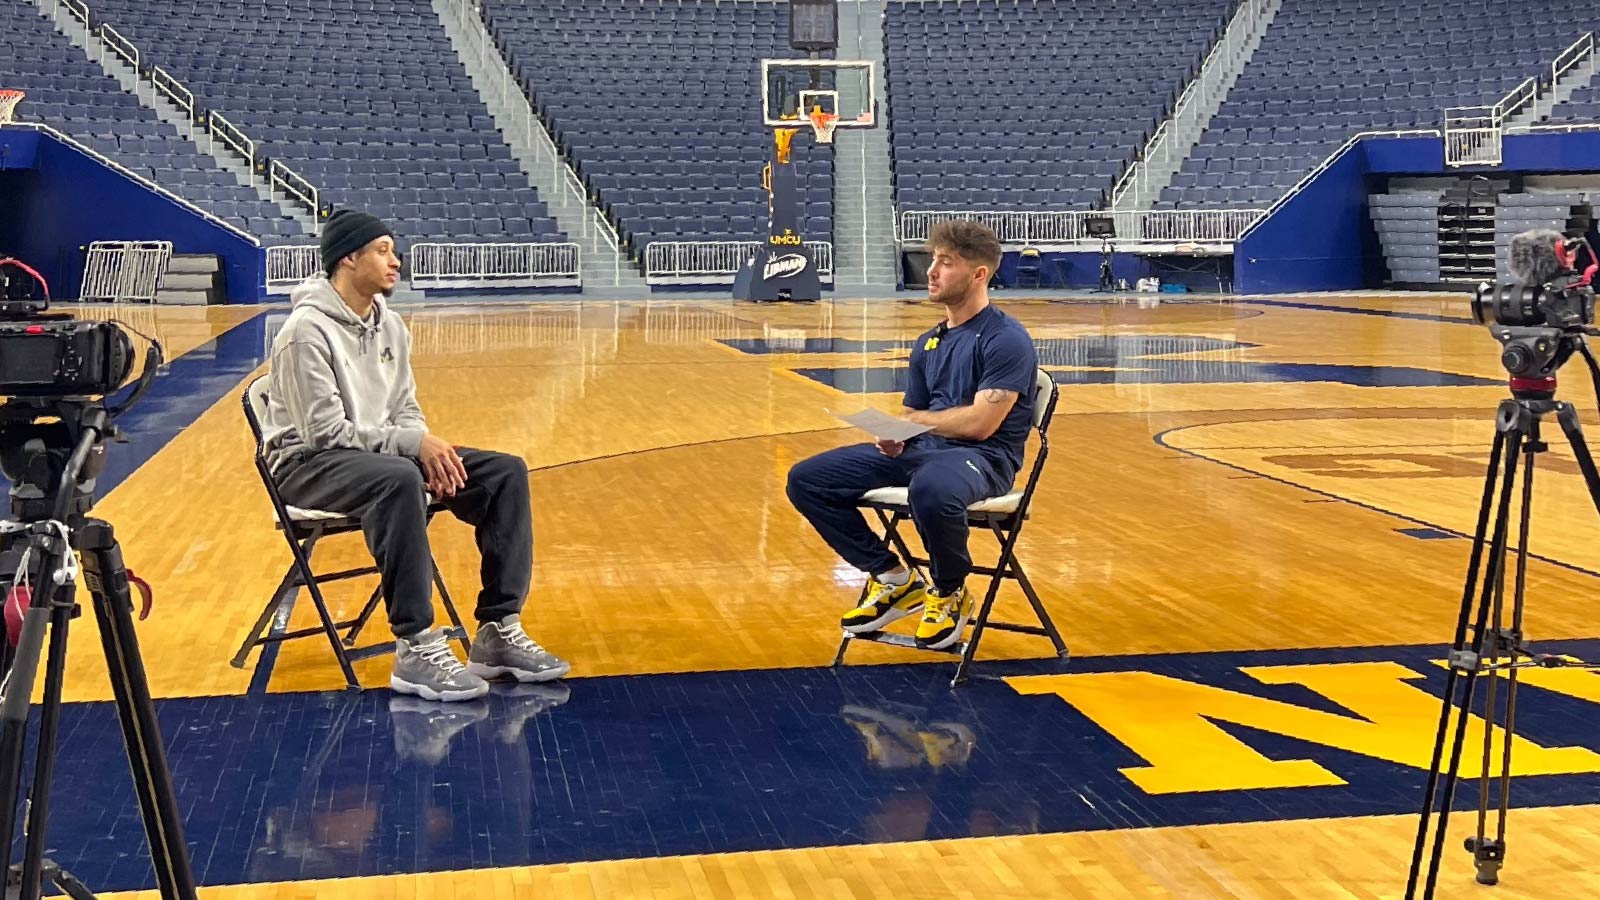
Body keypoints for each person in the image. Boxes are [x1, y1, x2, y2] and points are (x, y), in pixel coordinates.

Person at [260, 210, 568, 702]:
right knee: (400, 478)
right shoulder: (303, 332)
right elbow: (323, 433)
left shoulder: (392, 326)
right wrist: (411, 450)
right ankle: (416, 645)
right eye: (382, 250)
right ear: (348, 258)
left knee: (504, 473)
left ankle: (497, 631)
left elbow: (405, 407)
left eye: (394, 251)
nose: (395, 261)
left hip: (376, 456)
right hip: (306, 466)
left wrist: (423, 447)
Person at [786, 219, 1037, 650]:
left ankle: (949, 590)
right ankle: (893, 578)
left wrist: (918, 424)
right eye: (933, 261)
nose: (931, 272)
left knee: (932, 489)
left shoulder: (1005, 339)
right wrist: (897, 434)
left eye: (946, 263)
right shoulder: (929, 342)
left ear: (979, 274)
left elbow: (981, 424)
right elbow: (913, 412)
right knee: (807, 479)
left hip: (985, 459)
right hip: (922, 452)